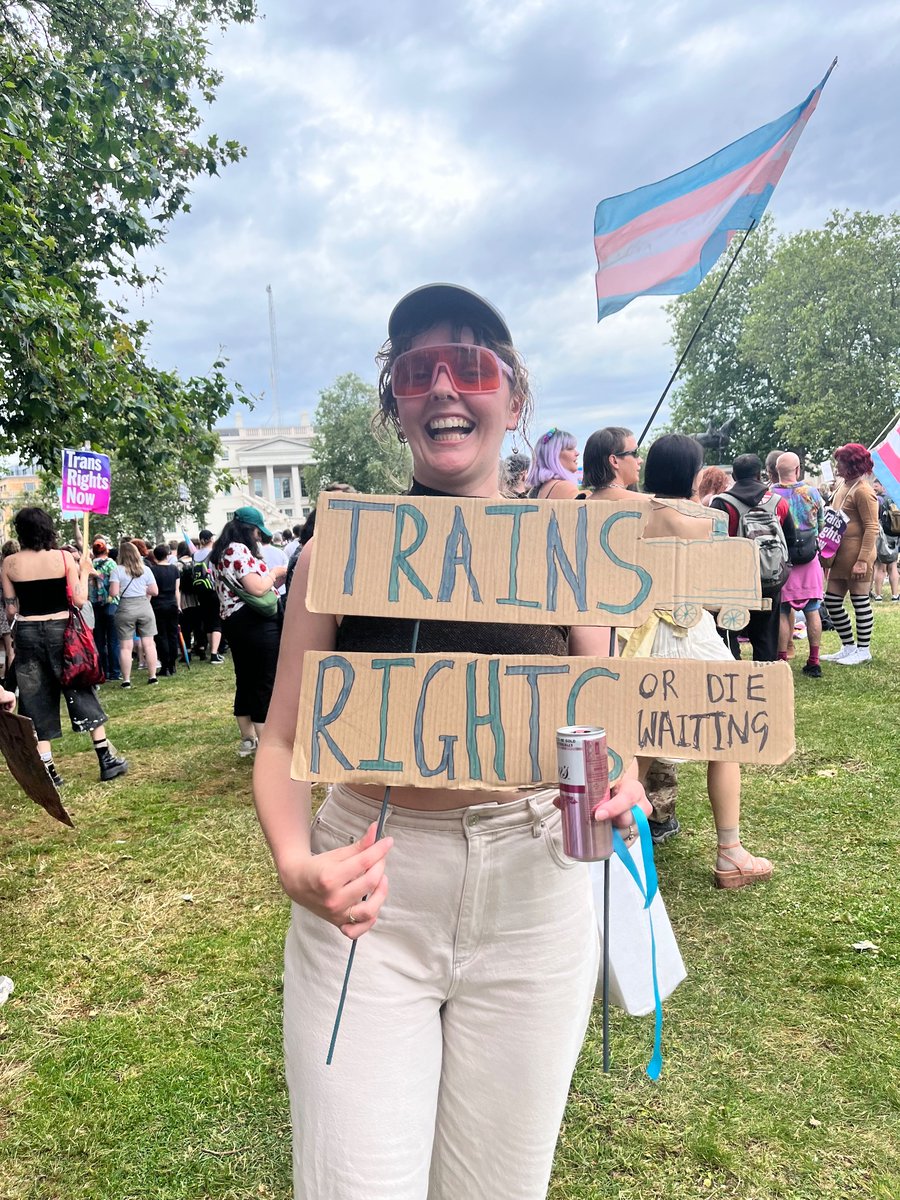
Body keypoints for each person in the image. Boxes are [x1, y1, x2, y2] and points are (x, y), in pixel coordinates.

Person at [253, 283, 649, 1200]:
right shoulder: (335, 553)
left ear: (512, 398)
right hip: (370, 892)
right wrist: (291, 860)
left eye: (469, 365)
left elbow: (610, 722)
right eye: (414, 370)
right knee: (355, 1182)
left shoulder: (568, 550)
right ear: (393, 403)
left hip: (537, 887)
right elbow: (280, 743)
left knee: (499, 1186)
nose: (442, 385)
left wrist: (620, 778)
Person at [633, 435, 772, 888]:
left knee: (638, 740)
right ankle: (730, 852)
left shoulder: (626, 516)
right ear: (691, 473)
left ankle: (618, 852)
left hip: (640, 635)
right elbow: (722, 595)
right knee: (723, 738)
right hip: (691, 632)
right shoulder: (704, 521)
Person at [2, 507, 128, 785]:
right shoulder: (62, 557)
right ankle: (106, 758)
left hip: (27, 633)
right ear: (48, 529)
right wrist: (83, 572)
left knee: (34, 700)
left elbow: (11, 611)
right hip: (63, 632)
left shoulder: (9, 563)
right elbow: (80, 600)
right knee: (80, 686)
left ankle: (48, 771)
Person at [208, 505, 286, 756]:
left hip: (234, 621)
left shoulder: (220, 552)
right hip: (256, 623)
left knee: (246, 678)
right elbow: (256, 588)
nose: (258, 537)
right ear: (248, 530)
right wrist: (273, 574)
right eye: (256, 531)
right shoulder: (238, 550)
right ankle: (269, 749)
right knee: (265, 681)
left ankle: (248, 739)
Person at [711, 453, 796, 662]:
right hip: (770, 579)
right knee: (766, 636)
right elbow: (791, 540)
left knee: (729, 632)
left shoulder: (722, 504)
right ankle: (764, 679)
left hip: (731, 582)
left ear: (735, 475)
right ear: (760, 475)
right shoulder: (778, 503)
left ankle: (733, 677)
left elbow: (711, 545)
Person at [821, 443, 880, 666]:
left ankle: (863, 649)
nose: (837, 466)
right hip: (839, 555)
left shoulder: (864, 491)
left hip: (857, 556)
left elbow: (872, 527)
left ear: (853, 464)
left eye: (841, 462)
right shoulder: (843, 485)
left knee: (860, 601)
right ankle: (848, 646)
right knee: (832, 601)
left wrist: (863, 560)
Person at [772, 453, 826, 677]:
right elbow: (821, 524)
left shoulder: (771, 495)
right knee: (812, 610)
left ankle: (782, 660)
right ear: (797, 469)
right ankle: (814, 661)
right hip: (809, 558)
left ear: (777, 471)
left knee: (783, 611)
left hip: (784, 560)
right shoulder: (812, 492)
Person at [113, 540, 159, 686]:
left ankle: (126, 679)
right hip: (144, 606)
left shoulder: (117, 570)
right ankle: (152, 676)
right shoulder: (146, 569)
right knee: (149, 644)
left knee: (125, 647)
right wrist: (142, 590)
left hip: (126, 607)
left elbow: (113, 592)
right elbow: (154, 591)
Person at [580, 426, 645, 499]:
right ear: (614, 461)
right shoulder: (652, 504)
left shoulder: (577, 506)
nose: (640, 460)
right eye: (635, 453)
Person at [89, 537, 121, 680]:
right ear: (106, 549)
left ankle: (103, 671)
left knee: (99, 641)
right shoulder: (111, 564)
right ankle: (115, 671)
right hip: (111, 603)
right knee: (113, 640)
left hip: (95, 605)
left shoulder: (88, 565)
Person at [149, 544, 181, 676]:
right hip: (172, 603)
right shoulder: (174, 569)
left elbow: (151, 590)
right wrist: (178, 605)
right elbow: (176, 590)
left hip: (157, 605)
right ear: (167, 555)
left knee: (161, 635)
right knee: (173, 634)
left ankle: (165, 665)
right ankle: (172, 664)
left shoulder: (152, 570)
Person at [193, 528, 224, 663]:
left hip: (200, 590)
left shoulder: (195, 555)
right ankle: (214, 653)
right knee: (216, 621)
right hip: (213, 589)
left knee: (207, 621)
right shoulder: (213, 554)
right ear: (211, 539)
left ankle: (212, 649)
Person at [525, 427, 581, 499]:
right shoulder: (564, 488)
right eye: (570, 449)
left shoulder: (539, 488)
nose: (577, 453)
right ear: (553, 456)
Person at [872, 480, 900, 602]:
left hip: (882, 536)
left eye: (876, 486)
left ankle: (878, 595)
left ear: (883, 486)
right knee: (893, 565)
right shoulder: (895, 498)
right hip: (894, 535)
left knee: (879, 566)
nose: (874, 489)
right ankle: (895, 595)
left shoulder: (878, 500)